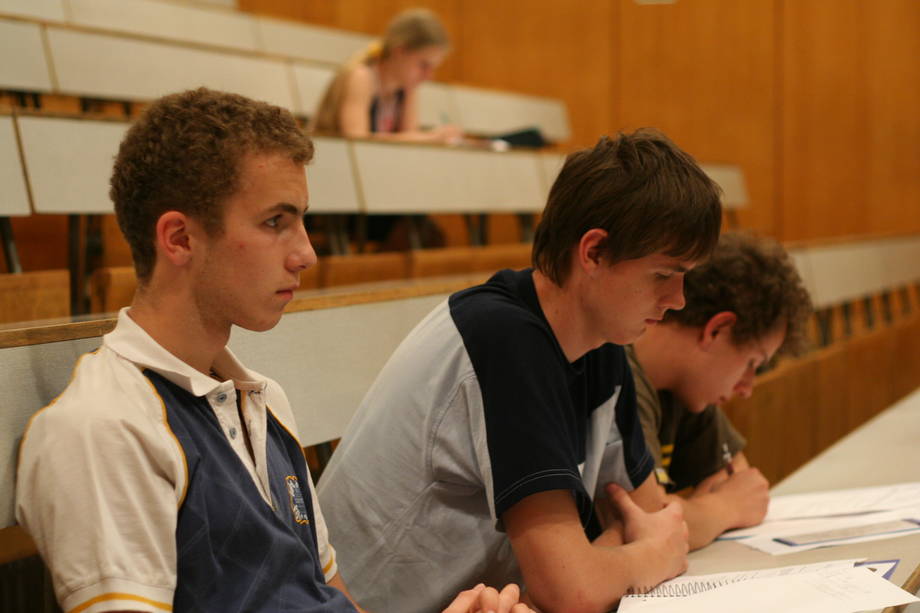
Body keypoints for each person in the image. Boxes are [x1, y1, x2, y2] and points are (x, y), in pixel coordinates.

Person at [15, 88, 533, 613]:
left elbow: (331, 601)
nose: (306, 254)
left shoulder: (265, 401)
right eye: (274, 223)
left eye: (303, 221)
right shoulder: (104, 428)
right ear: (179, 238)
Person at [317, 129, 724, 613]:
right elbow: (571, 590)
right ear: (594, 252)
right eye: (663, 275)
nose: (678, 299)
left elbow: (651, 515)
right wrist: (645, 556)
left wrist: (613, 554)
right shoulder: (504, 338)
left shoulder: (602, 340)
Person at [626, 231, 812, 549]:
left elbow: (741, 480)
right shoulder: (618, 376)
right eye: (752, 363)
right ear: (717, 331)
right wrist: (725, 508)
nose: (747, 388)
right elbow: (648, 526)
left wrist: (699, 512)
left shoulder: (686, 388)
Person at [312, 7, 461, 144]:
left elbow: (411, 141)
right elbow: (357, 141)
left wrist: (432, 138)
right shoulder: (361, 77)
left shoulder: (407, 87)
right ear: (400, 51)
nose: (429, 76)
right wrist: (430, 138)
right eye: (423, 65)